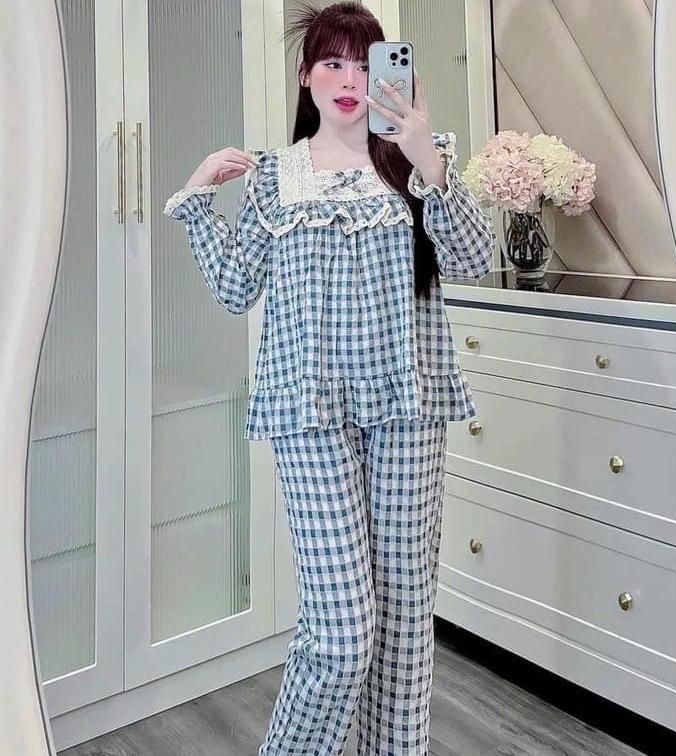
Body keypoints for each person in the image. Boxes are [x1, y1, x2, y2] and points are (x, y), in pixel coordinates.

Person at [162, 2, 494, 753]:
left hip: (408, 407)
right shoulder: (274, 178)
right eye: (332, 63)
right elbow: (236, 288)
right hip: (307, 413)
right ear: (305, 75)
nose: (349, 80)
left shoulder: (416, 160)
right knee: (343, 635)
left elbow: (474, 261)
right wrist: (198, 198)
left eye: (365, 64)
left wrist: (429, 164)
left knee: (404, 622)